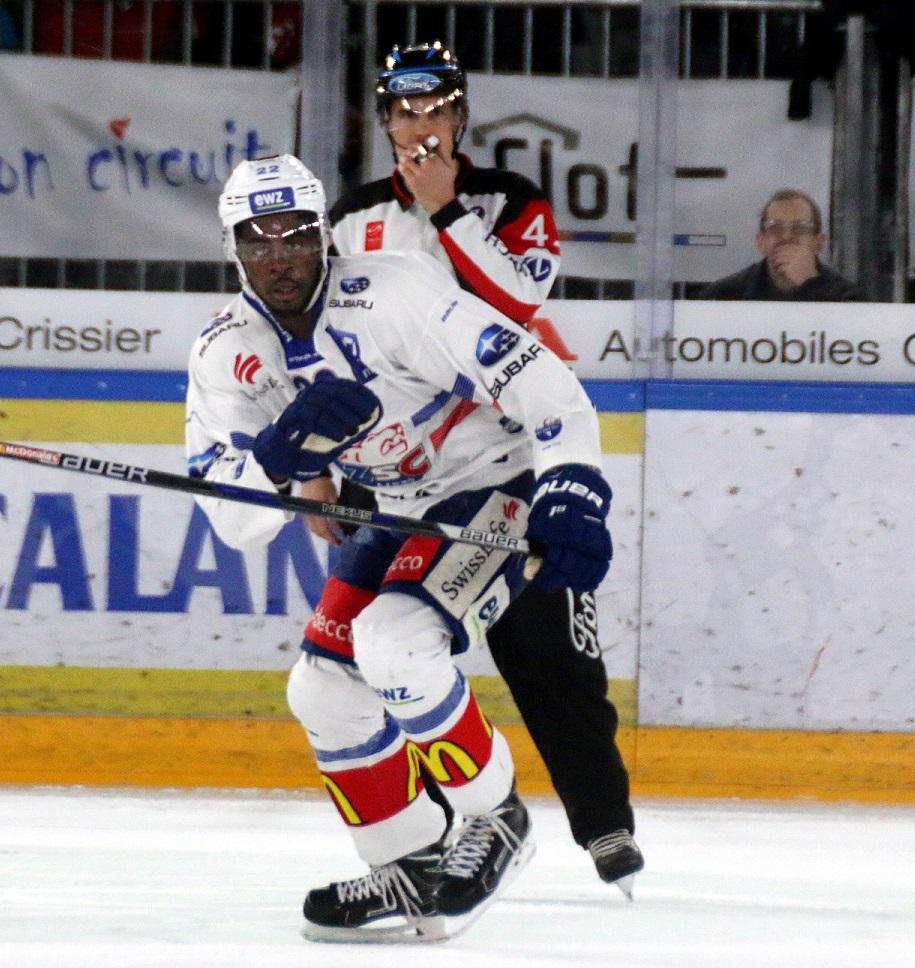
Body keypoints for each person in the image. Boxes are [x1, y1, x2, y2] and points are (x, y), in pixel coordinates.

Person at [184, 154, 614, 943]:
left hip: (494, 478)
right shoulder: (222, 353)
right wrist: (275, 461)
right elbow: (234, 523)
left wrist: (574, 487)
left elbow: (546, 385)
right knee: (322, 689)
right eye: (258, 240)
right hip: (397, 508)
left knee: (393, 644)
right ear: (231, 247)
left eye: (296, 236)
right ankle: (409, 864)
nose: (280, 258)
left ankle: (496, 817)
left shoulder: (396, 291)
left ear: (324, 236)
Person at [314, 40, 644, 896]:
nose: (420, 126)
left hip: (508, 459)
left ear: (460, 118)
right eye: (405, 112)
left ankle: (604, 826)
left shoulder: (511, 201)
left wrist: (448, 211)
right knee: (381, 653)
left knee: (547, 648)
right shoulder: (349, 221)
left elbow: (520, 303)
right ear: (385, 121)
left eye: (436, 111)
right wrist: (324, 466)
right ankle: (439, 832)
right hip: (398, 468)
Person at [697, 189, 863, 301]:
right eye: (775, 228)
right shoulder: (723, 297)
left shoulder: (848, 300)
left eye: (800, 228)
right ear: (760, 242)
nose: (786, 237)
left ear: (818, 243)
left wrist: (809, 285)